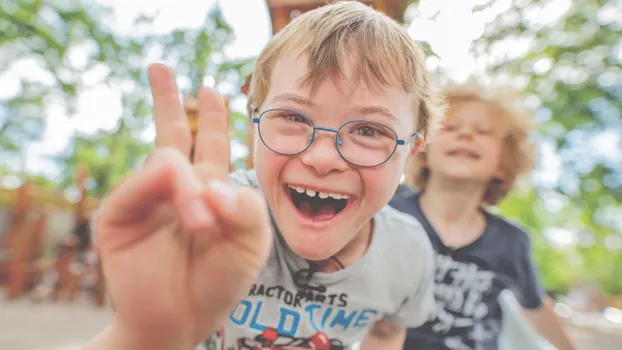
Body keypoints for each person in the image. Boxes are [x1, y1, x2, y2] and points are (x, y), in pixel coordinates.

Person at [85, 2, 444, 349]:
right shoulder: (203, 222)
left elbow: (386, 332)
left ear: (410, 152)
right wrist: (145, 337)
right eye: (294, 118)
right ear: (255, 124)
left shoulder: (407, 255)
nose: (322, 158)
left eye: (368, 130)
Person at [390, 83, 577, 350]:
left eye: (483, 131)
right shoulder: (389, 215)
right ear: (423, 151)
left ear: (503, 164)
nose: (466, 134)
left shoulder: (511, 241)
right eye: (450, 127)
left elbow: (535, 306)